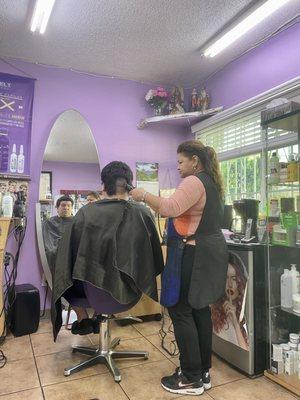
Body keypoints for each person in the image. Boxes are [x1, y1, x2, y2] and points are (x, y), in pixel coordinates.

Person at [130, 140, 228, 396]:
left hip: (193, 254)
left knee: (179, 309)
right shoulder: (211, 182)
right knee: (198, 310)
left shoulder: (194, 181)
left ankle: (191, 378)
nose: (179, 167)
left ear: (195, 160)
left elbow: (171, 208)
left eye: (181, 162)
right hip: (206, 253)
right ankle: (202, 371)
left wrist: (143, 195)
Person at [51, 161, 164, 340]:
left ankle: (83, 318)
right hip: (130, 292)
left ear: (104, 185)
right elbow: (154, 255)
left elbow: (67, 257)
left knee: (65, 271)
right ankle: (96, 317)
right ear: (129, 185)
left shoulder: (86, 212)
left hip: (93, 292)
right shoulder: (143, 212)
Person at [211, 252, 249, 350]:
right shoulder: (215, 308)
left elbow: (245, 354)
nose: (230, 284)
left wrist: (236, 323)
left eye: (234, 278)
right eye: (225, 278)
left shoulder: (247, 311)